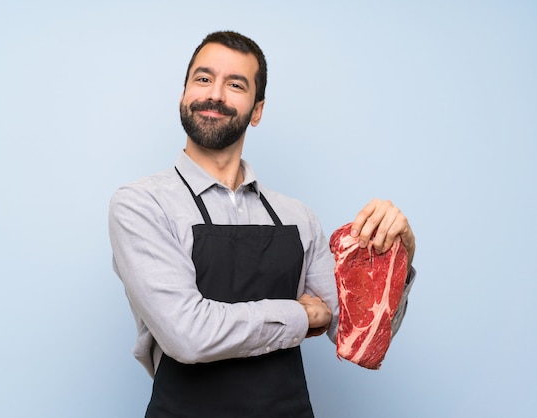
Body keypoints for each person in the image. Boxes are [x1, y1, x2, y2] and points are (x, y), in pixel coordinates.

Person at [108, 30, 416, 417]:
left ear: (257, 110)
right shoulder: (141, 204)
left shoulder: (297, 217)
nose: (215, 94)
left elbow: (355, 333)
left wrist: (397, 258)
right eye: (203, 79)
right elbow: (187, 335)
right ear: (184, 94)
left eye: (235, 84)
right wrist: (301, 315)